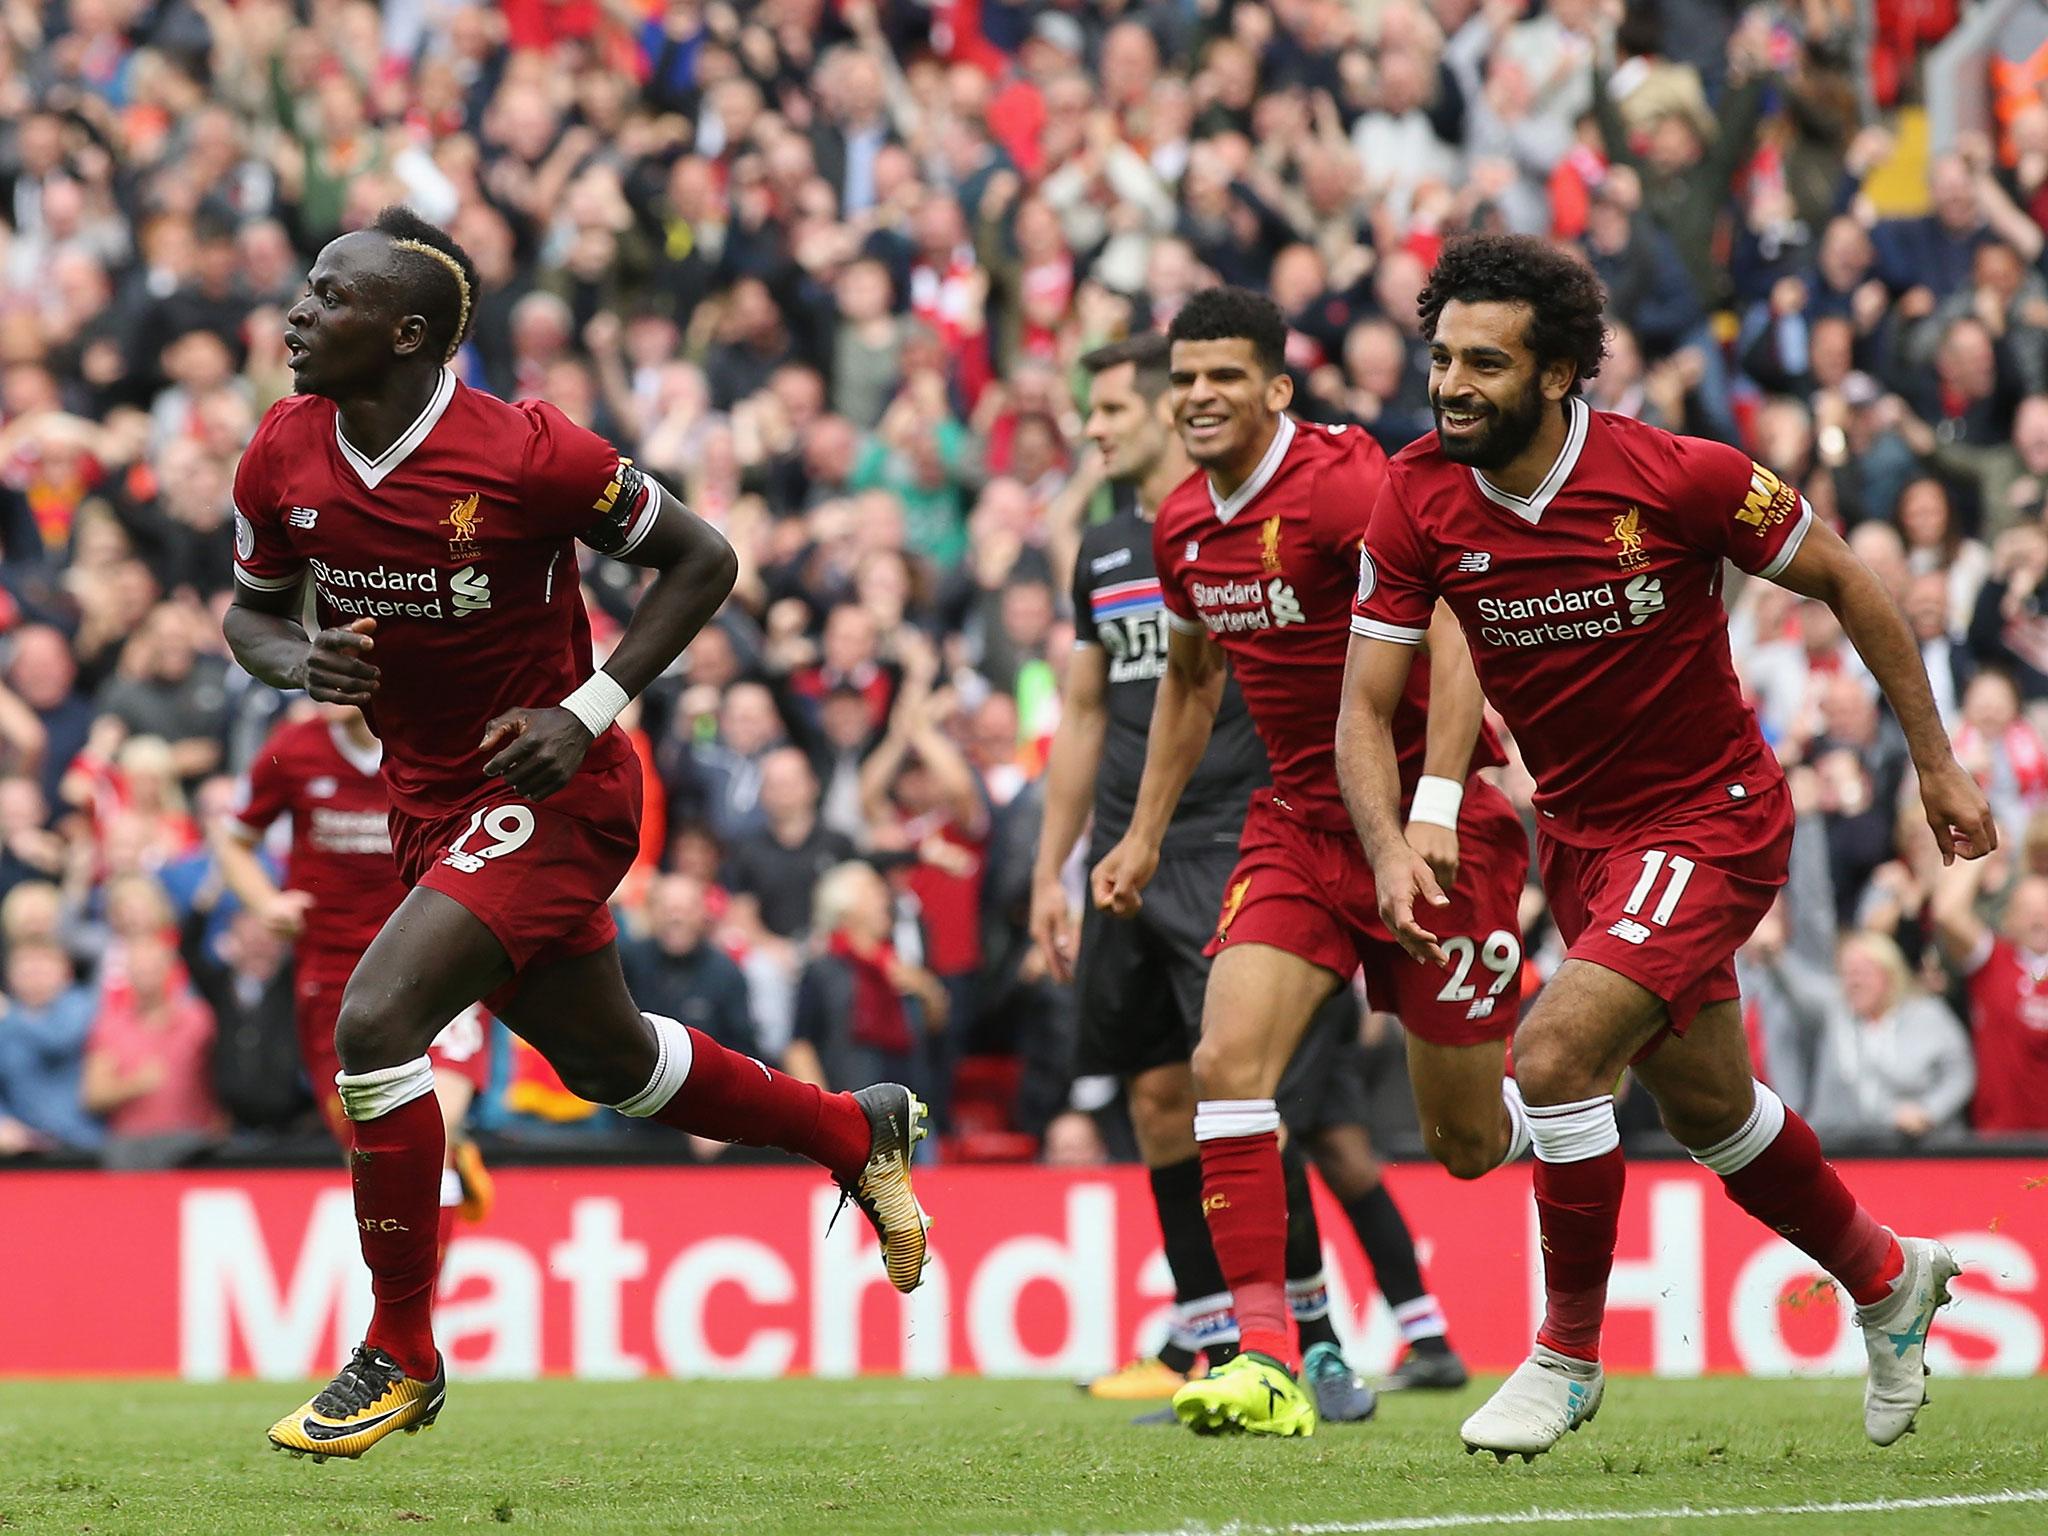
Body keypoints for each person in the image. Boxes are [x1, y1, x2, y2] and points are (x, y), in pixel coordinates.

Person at [224, 207, 929, 1461]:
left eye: (327, 297)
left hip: (556, 785)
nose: (296, 312)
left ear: (407, 334)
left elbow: (704, 560)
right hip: (431, 799)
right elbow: (252, 617)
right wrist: (303, 660)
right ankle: (849, 1130)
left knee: (378, 1022)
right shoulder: (282, 451)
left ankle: (400, 1350)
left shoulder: (532, 452)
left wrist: (589, 703)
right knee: (608, 1064)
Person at [1343, 233, 1992, 1459]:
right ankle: (1885, 1274)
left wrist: (1935, 760)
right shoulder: (1414, 495)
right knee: (1712, 1116)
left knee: (1550, 1053)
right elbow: (1360, 701)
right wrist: (1391, 839)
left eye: (1483, 361)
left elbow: (1851, 583)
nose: (1450, 384)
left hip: (1712, 818)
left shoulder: (1676, 475)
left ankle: (1564, 1355)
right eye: (1439, 358)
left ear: (1556, 375)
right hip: (1579, 842)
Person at [1090, 289, 1532, 1436]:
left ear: (1275, 390)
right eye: (1182, 378)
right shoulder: (1181, 523)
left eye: (1224, 376)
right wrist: (1140, 836)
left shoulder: (1344, 483)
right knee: (1223, 1063)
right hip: (1295, 823)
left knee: (1465, 1144)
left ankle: (1559, 1107)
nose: (1196, 397)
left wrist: (1431, 803)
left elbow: (1452, 622)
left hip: (1434, 828)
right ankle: (1266, 1358)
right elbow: (1189, 683)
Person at [1031, 335, 1455, 1426]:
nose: (1100, 426)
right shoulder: (1116, 549)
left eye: (1118, 405)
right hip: (1139, 843)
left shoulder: (1309, 502)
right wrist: (1065, 860)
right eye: (1117, 403)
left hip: (1248, 832)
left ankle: (1320, 1345)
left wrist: (1431, 796)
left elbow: (1419, 611)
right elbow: (1095, 709)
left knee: (1266, 1098)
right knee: (1163, 1096)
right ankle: (1223, 1343)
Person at [213, 703, 498, 1241]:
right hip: (337, 979)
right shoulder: (293, 749)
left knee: (435, 1126)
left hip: (436, 964)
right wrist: (265, 903)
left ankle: (418, 1319)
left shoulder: (439, 740)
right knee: (376, 1150)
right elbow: (233, 839)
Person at [1929, 853, 2048, 1134]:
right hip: (1997, 1139)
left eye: (2045, 909)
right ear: (2008, 919)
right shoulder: (1992, 961)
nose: (2039, 917)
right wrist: (1981, 852)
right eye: (2027, 909)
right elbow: (1948, 913)